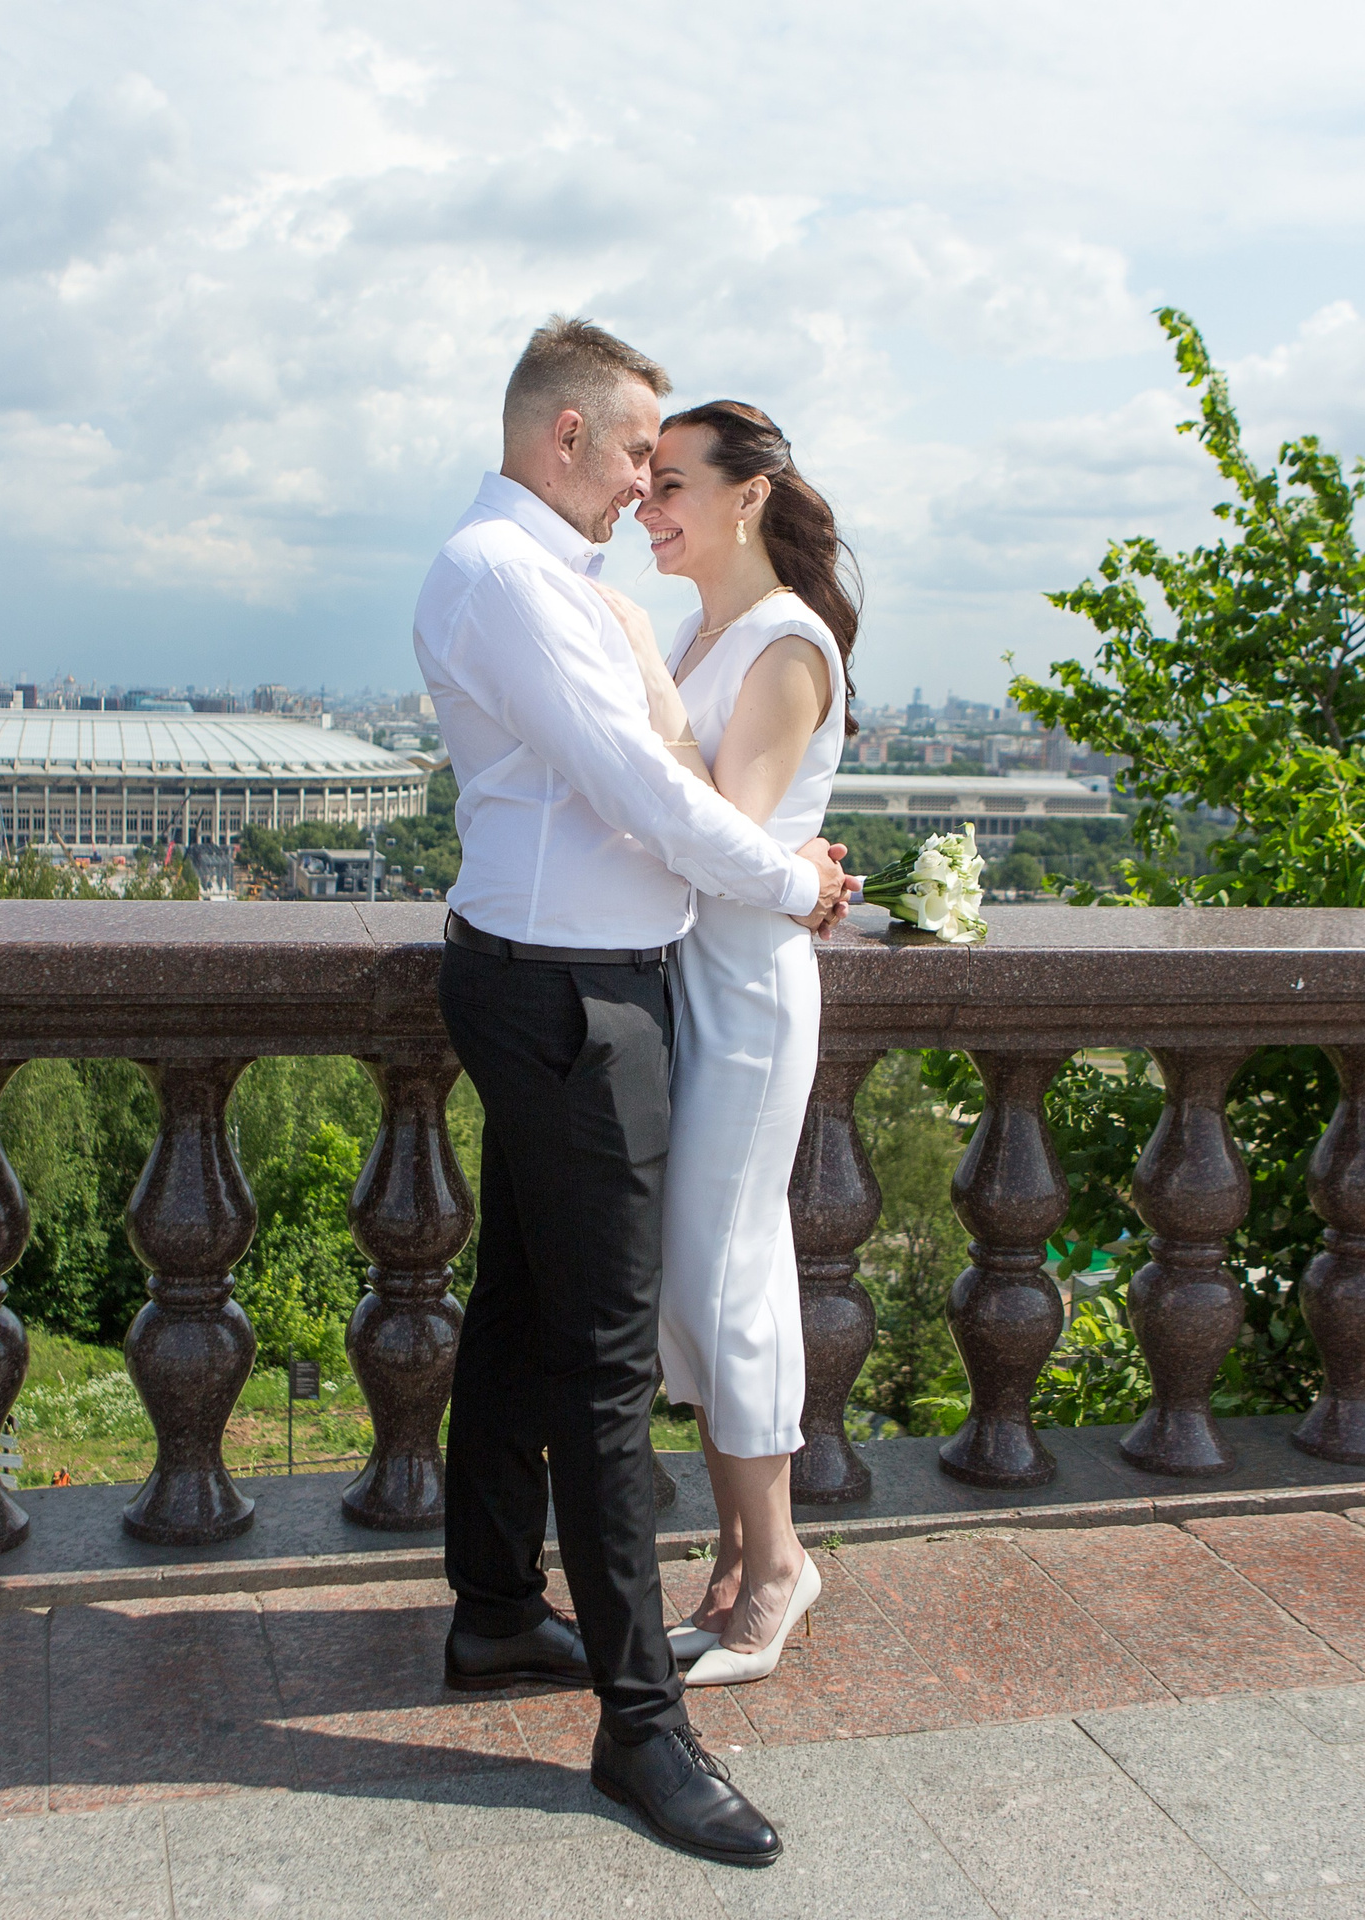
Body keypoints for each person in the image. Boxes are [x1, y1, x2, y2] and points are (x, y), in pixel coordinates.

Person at [413, 316, 856, 1870]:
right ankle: (641, 1727)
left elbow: (646, 785)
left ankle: (487, 1613)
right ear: (565, 441)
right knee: (602, 1362)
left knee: (531, 1307)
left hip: (567, 982)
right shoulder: (512, 579)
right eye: (629, 456)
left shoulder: (540, 578)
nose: (638, 485)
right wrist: (794, 880)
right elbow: (643, 791)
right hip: (566, 997)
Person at [592, 401, 853, 1689]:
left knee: (730, 1268)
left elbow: (727, 829)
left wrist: (638, 675)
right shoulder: (712, 631)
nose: (649, 506)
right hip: (688, 987)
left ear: (750, 494)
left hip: (746, 998)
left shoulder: (786, 644)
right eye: (645, 487)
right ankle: (742, 1561)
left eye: (674, 483)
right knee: (700, 1279)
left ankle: (780, 1560)